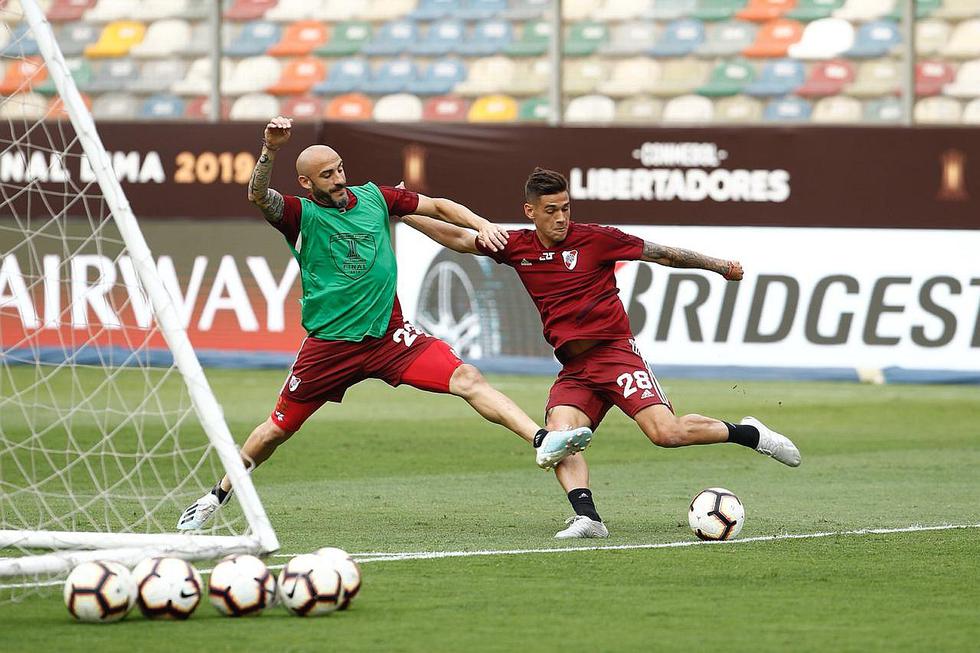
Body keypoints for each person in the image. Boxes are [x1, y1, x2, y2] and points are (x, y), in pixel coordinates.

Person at [177, 123, 592, 531]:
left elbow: (438, 206)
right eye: (327, 175)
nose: (339, 179)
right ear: (306, 182)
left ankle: (542, 441)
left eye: (340, 169)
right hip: (331, 347)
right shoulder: (298, 215)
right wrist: (269, 149)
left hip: (391, 338)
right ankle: (218, 494)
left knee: (467, 377)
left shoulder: (374, 197)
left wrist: (482, 225)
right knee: (274, 432)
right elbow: (257, 195)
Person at [403, 167, 801, 539]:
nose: (560, 218)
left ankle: (751, 434)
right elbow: (456, 237)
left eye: (566, 208)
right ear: (531, 212)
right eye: (551, 211)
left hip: (615, 354)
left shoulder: (598, 239)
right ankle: (588, 518)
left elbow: (664, 254)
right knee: (558, 438)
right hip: (575, 369)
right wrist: (404, 211)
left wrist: (719, 266)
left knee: (667, 433)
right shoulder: (517, 246)